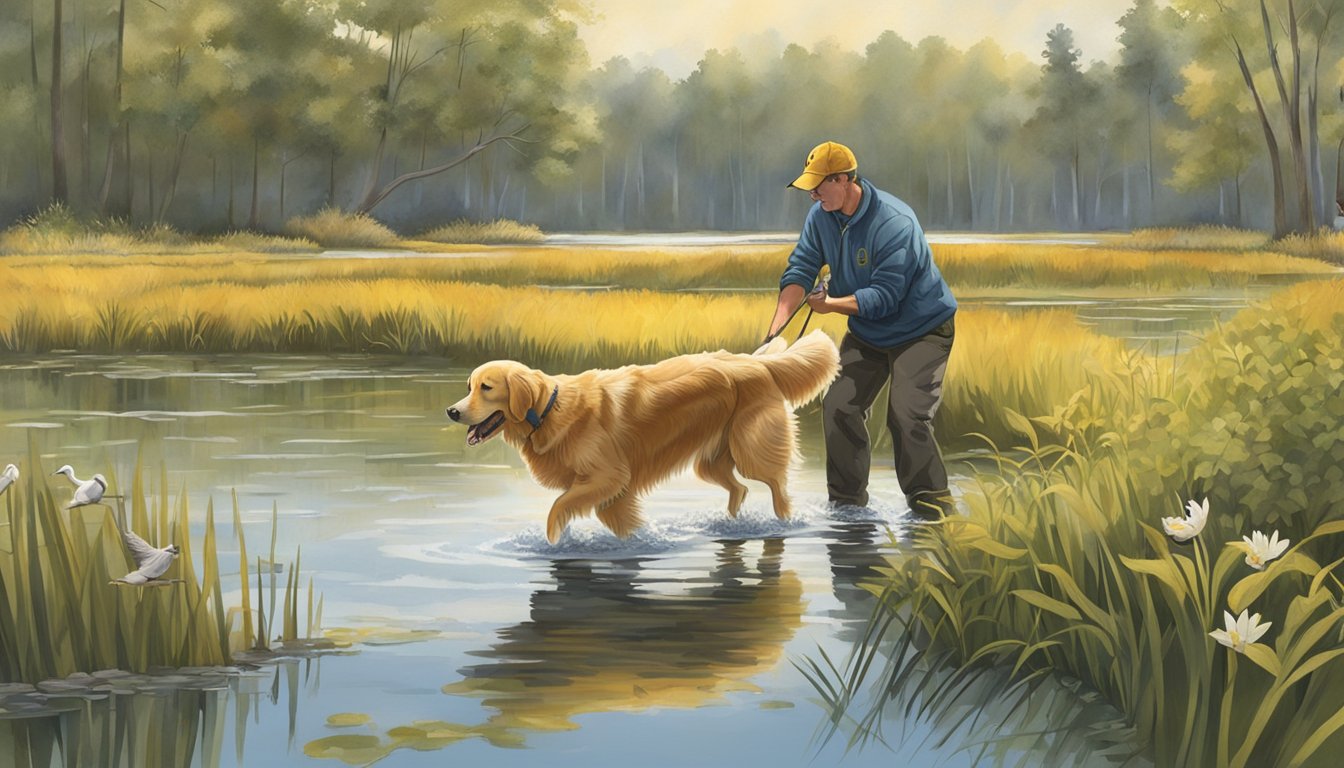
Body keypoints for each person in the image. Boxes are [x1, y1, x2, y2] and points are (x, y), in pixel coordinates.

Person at [764, 141, 958, 520]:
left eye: (819, 185)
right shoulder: (822, 215)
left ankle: (932, 510)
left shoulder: (894, 222)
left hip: (923, 331)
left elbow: (885, 296)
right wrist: (775, 331)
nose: (813, 195)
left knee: (906, 417)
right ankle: (847, 509)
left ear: (844, 179)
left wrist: (830, 305)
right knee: (839, 406)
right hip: (870, 332)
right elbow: (801, 269)